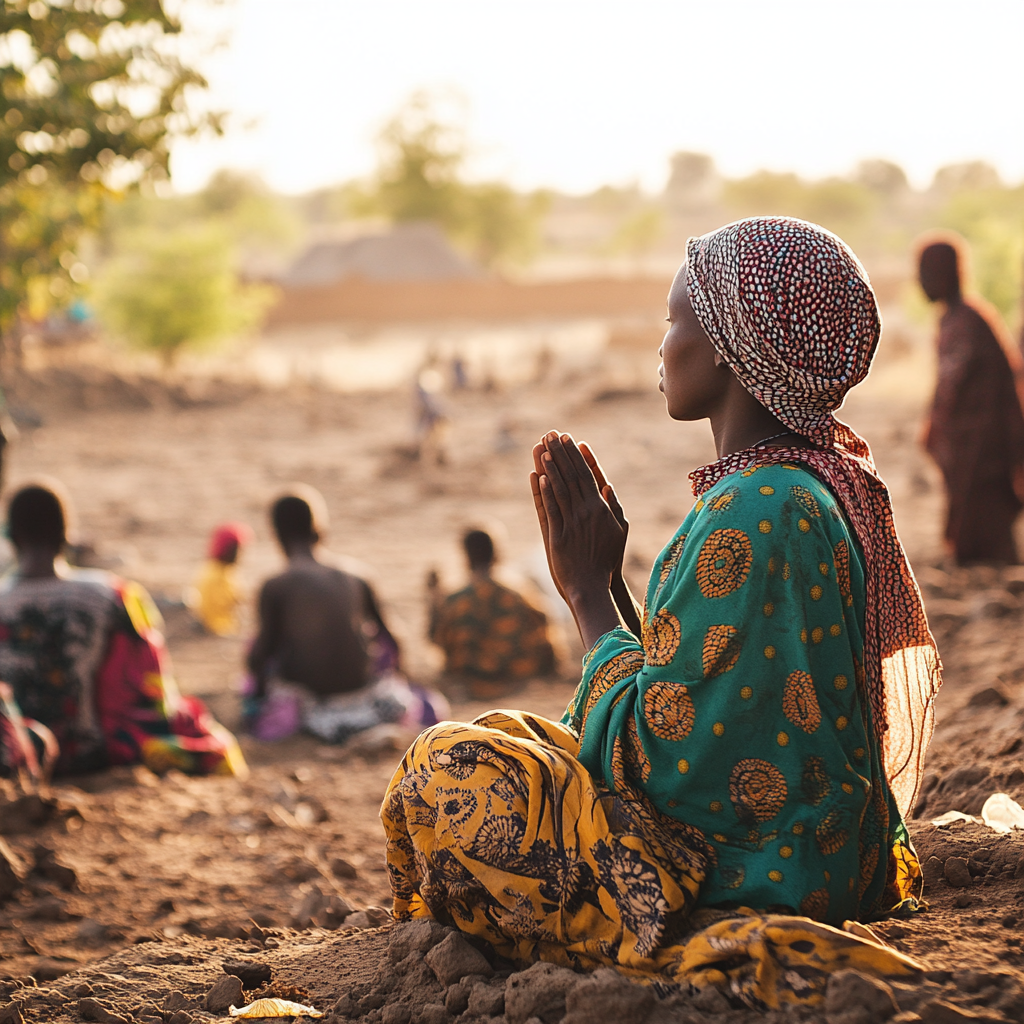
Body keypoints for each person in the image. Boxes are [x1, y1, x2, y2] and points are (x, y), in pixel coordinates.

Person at [382, 218, 941, 1009]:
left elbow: (661, 769)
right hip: (817, 851)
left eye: (674, 320)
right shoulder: (795, 487)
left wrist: (582, 594)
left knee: (445, 766)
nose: (661, 344)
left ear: (723, 344)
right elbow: (712, 702)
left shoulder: (758, 508)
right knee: (512, 736)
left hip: (754, 874)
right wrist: (610, 584)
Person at [0, 482, 246, 778]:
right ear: (67, 535)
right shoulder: (112, 596)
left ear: (11, 536)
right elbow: (149, 687)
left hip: (13, 753)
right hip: (89, 753)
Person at [246, 487, 446, 743]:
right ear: (320, 528)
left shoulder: (276, 585)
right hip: (365, 696)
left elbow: (261, 655)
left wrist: (257, 698)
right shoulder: (358, 574)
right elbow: (394, 639)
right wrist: (402, 680)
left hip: (312, 703)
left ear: (276, 534)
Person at [918, 237, 1024, 564]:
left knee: (986, 534)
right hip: (974, 448)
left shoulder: (965, 322)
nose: (921, 281)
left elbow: (953, 391)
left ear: (949, 273)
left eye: (927, 272)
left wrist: (935, 429)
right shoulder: (958, 318)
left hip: (984, 450)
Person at [427, 528, 556, 699]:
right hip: (518, 672)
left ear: (466, 557)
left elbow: (435, 638)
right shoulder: (519, 594)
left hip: (468, 676)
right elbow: (545, 634)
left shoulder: (453, 600)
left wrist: (432, 599)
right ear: (496, 554)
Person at [189, 522, 253, 636]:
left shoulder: (213, 568)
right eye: (238, 551)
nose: (240, 555)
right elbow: (229, 602)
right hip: (220, 625)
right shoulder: (220, 576)